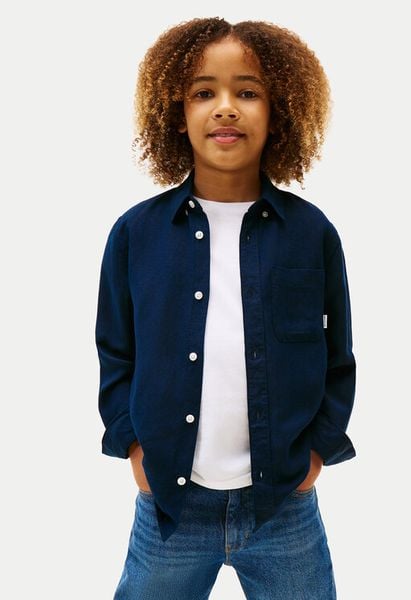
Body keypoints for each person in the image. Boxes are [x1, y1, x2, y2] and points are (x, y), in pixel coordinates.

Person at [95, 16, 357, 600]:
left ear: (280, 110)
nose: (226, 108)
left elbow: (337, 356)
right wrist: (133, 446)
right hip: (170, 509)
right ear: (175, 113)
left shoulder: (311, 233)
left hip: (283, 509)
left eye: (248, 92)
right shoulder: (136, 234)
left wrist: (316, 454)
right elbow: (116, 351)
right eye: (203, 93)